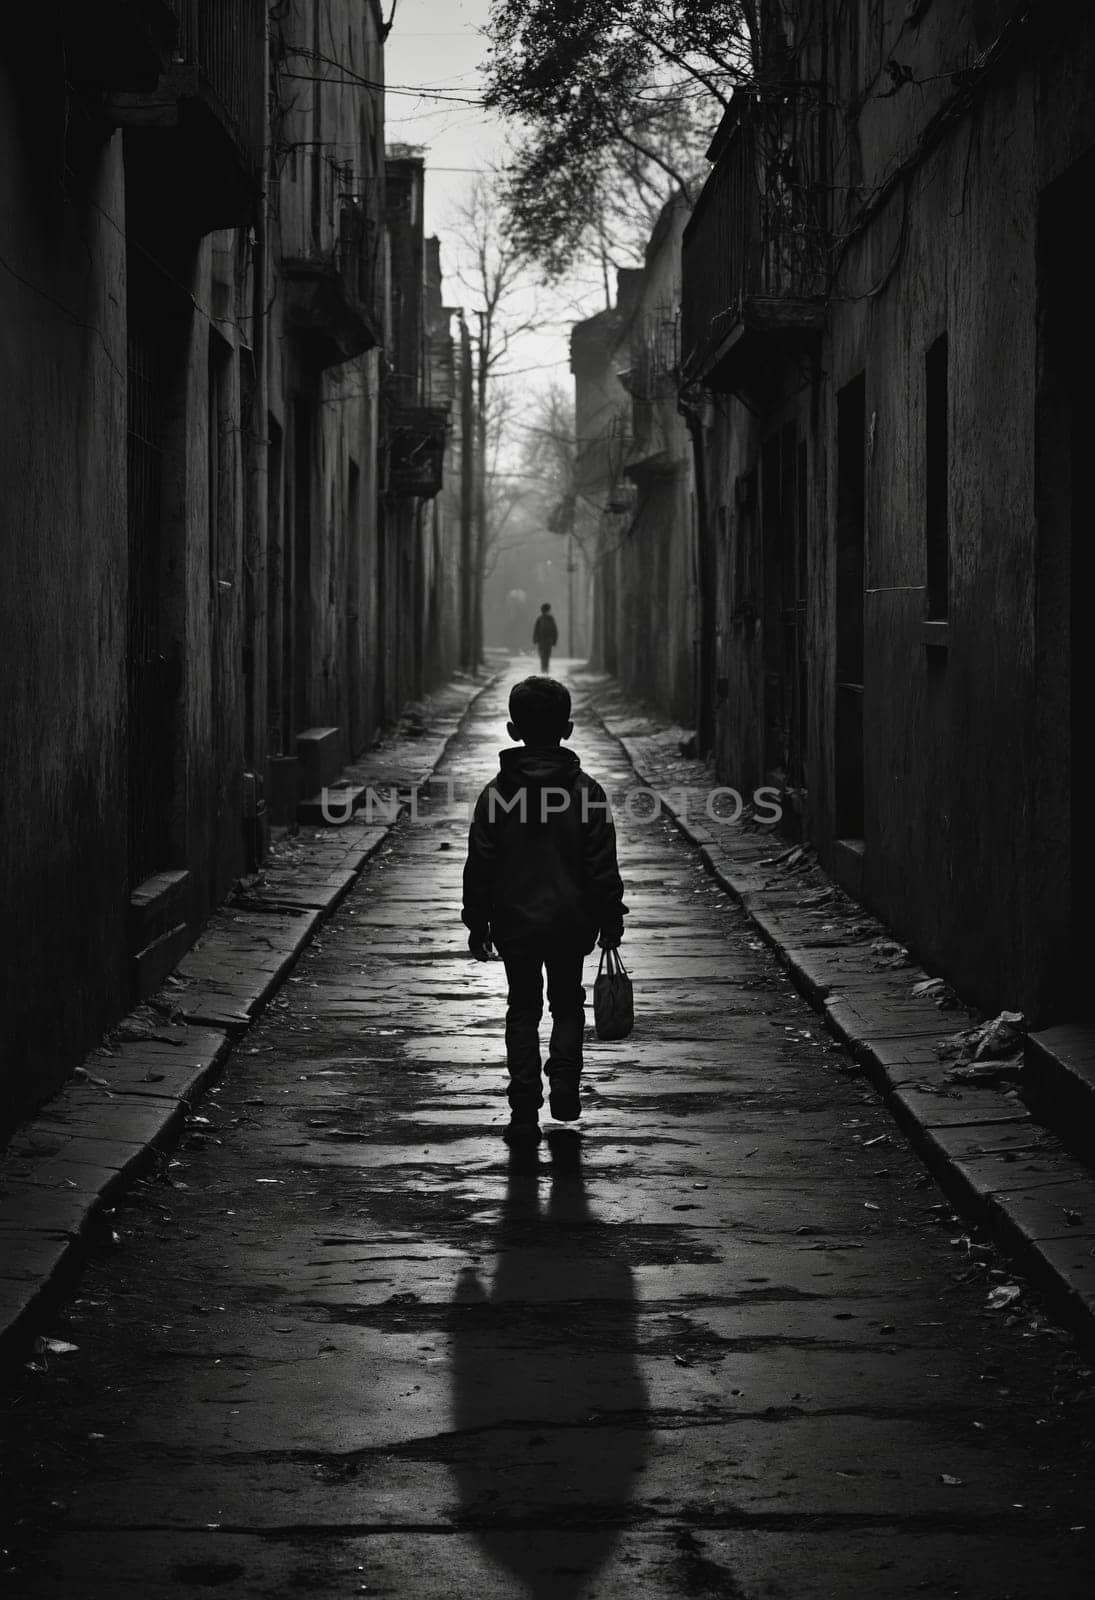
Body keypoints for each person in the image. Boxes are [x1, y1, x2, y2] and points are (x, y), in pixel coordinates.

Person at [462, 677, 627, 1145]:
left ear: (513, 730)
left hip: (515, 923)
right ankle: (565, 1086)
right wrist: (610, 918)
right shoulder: (587, 793)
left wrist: (478, 922)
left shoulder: (497, 795)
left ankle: (522, 1109)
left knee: (523, 1007)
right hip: (571, 923)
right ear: (569, 729)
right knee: (568, 1001)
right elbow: (602, 866)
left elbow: (481, 864)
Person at [532, 602, 558, 672]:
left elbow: (536, 630)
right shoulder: (550, 619)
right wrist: (554, 641)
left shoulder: (540, 618)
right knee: (545, 655)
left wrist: (535, 639)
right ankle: (545, 668)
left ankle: (544, 668)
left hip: (543, 641)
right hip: (547, 641)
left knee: (543, 655)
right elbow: (554, 630)